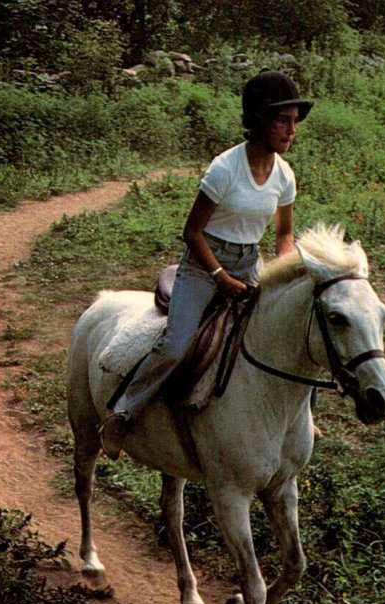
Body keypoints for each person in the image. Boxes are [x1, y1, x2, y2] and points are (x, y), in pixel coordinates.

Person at [100, 69, 313, 460]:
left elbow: (284, 233)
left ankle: (297, 417)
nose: (291, 130)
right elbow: (192, 231)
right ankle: (123, 412)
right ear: (259, 120)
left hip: (250, 260)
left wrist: (283, 272)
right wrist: (220, 276)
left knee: (291, 325)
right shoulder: (224, 169)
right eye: (283, 120)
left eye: (295, 121)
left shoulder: (284, 175)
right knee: (177, 343)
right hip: (204, 262)